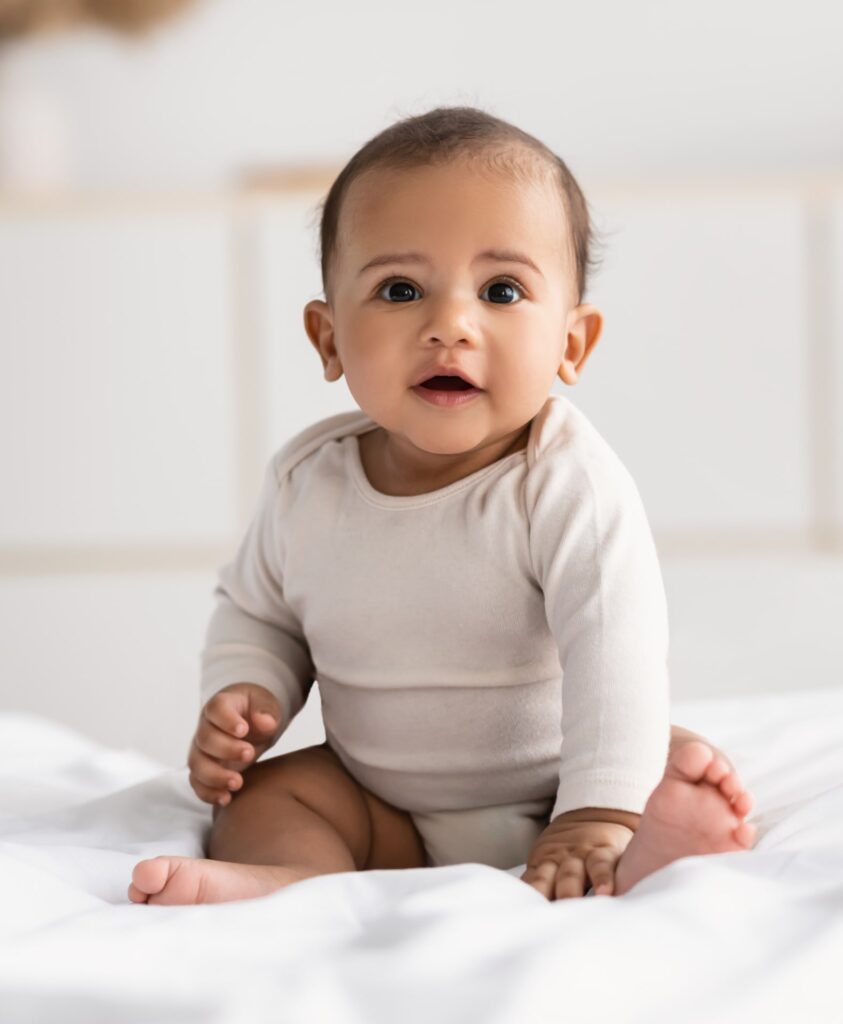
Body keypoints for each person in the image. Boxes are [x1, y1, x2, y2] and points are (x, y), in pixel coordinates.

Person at [128, 105, 757, 906]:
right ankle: (296, 884)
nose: (448, 325)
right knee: (263, 799)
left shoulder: (564, 483)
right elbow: (258, 613)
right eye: (399, 290)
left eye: (500, 290)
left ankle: (621, 841)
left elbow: (617, 655)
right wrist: (248, 691)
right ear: (328, 339)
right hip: (381, 802)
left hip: (552, 785)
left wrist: (594, 810)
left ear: (572, 343)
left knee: (661, 783)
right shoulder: (307, 482)